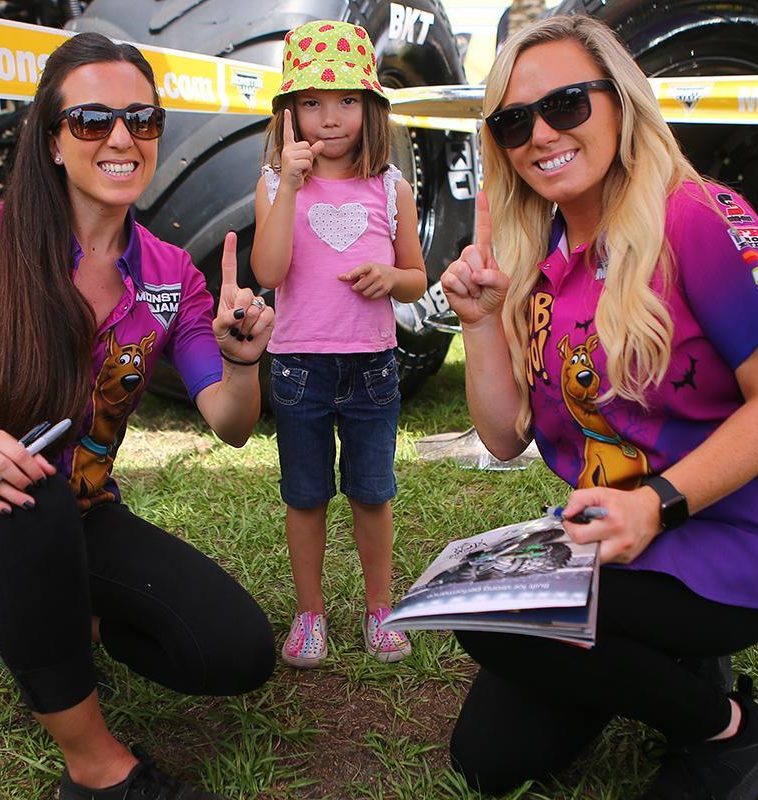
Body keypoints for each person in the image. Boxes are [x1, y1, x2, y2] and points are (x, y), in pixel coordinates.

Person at [0, 33, 276, 800]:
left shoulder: (168, 273)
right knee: (30, 501)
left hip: (83, 519)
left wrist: (242, 358)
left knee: (237, 653)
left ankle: (58, 624)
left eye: (142, 119)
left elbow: (229, 423)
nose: (122, 138)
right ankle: (97, 771)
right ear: (54, 142)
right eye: (92, 121)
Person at [439, 14, 758, 799]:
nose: (542, 134)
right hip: (609, 544)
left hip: (717, 545)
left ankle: (727, 732)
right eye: (515, 122)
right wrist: (480, 322)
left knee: (488, 619)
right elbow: (503, 437)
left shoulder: (698, 216)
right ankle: (664, 663)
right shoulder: (540, 253)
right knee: (491, 758)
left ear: (621, 101)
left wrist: (656, 504)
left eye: (567, 105)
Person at [250, 19, 427, 668]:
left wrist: (390, 278)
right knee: (305, 495)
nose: (330, 117)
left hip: (372, 368)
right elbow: (268, 273)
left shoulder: (391, 188)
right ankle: (310, 613)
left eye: (347, 100)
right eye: (312, 102)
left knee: (372, 492)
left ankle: (381, 608)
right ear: (290, 111)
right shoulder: (273, 184)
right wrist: (291, 186)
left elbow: (416, 279)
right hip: (298, 367)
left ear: (371, 107)